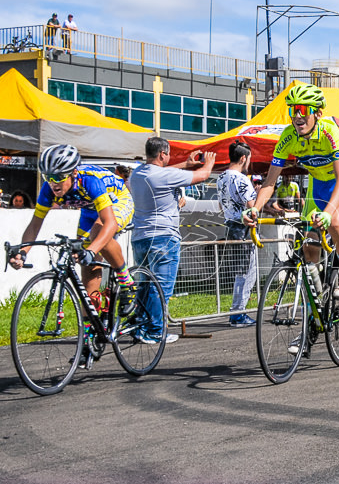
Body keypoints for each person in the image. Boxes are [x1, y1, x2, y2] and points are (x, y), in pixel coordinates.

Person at [8, 145, 137, 348]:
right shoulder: (48, 189)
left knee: (96, 238)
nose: (53, 183)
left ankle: (126, 280)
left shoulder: (90, 181)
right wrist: (23, 252)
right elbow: (35, 224)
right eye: (48, 176)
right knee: (87, 269)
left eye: (59, 177)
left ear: (73, 173)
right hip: (89, 209)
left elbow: (110, 223)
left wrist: (92, 249)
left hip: (117, 200)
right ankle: (90, 335)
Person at [243, 83, 339, 303]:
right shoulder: (288, 137)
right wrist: (255, 209)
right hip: (317, 187)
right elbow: (270, 182)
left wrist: (327, 213)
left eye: (303, 110)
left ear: (317, 113)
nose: (298, 115)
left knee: (335, 222)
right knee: (309, 247)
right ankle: (315, 304)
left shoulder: (329, 131)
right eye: (293, 110)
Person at [129, 137, 216, 343]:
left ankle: (140, 324)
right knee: (161, 287)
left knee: (145, 284)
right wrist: (210, 161)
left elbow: (162, 172)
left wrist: (186, 164)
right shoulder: (164, 176)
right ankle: (155, 331)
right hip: (163, 237)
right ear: (162, 155)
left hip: (141, 236)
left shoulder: (137, 174)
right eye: (167, 155)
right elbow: (202, 176)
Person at [217, 141, 258, 327]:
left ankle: (237, 312)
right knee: (246, 272)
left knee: (239, 272)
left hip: (229, 224)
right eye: (249, 159)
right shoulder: (241, 179)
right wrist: (257, 195)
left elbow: (220, 204)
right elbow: (252, 206)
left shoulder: (221, 177)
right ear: (243, 158)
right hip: (243, 226)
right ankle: (238, 314)